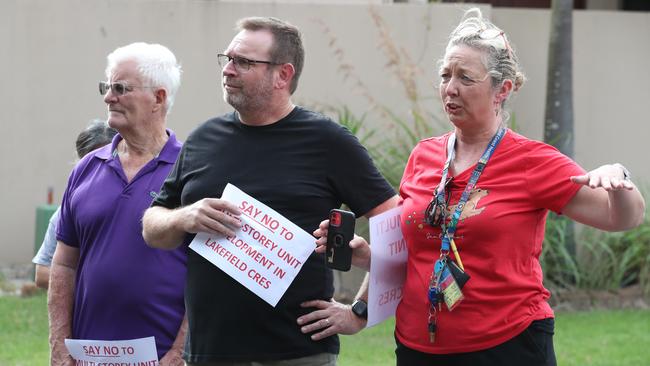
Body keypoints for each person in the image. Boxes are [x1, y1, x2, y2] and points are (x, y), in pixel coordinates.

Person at [308, 7, 646, 366]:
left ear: (503, 89)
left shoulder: (532, 160)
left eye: (466, 78)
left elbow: (622, 218)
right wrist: (366, 261)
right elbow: (416, 256)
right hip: (418, 348)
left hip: (506, 346)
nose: (450, 88)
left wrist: (619, 179)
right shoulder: (423, 155)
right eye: (445, 75)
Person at [142, 17, 398, 365]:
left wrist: (360, 311)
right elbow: (152, 227)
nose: (228, 70)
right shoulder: (204, 138)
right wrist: (184, 217)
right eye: (227, 59)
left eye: (243, 62)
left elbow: (396, 224)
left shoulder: (328, 142)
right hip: (209, 352)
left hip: (295, 353)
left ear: (283, 74)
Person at [48, 42, 186, 366]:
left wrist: (180, 352)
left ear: (159, 98)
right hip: (87, 357)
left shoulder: (192, 171)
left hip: (161, 357)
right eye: (106, 87)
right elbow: (64, 264)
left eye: (121, 88)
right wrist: (58, 344)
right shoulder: (86, 169)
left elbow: (207, 276)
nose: (108, 97)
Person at [32, 119, 117, 289]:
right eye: (91, 161)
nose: (100, 168)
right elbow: (41, 274)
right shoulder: (66, 213)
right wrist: (89, 282)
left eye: (107, 160)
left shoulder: (139, 206)